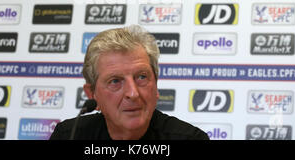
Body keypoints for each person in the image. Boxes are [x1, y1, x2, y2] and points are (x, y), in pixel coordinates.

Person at [50, 25, 209, 140]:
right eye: (115, 81)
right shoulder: (69, 135)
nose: (133, 93)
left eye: (141, 77)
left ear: (156, 85)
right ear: (92, 94)